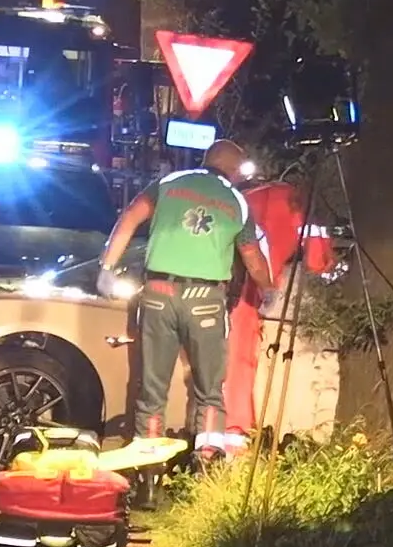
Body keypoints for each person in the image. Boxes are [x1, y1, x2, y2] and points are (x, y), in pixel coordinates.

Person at [97, 140, 275, 462]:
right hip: (206, 300)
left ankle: (148, 474)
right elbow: (253, 259)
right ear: (234, 170)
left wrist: (108, 268)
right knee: (209, 390)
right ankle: (206, 462)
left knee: (152, 389)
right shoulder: (236, 200)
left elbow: (129, 218)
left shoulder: (168, 184)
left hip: (158, 296)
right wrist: (269, 289)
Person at [223, 169, 337, 437]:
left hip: (229, 283)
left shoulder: (247, 196)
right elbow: (317, 261)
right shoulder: (302, 206)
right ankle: (255, 430)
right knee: (260, 362)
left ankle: (231, 431)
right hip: (266, 288)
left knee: (232, 363)